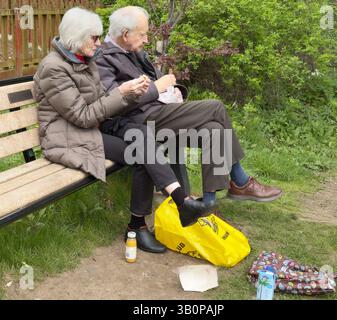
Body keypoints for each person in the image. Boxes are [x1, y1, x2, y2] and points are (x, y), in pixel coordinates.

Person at [33, 7, 215, 254]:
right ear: (77, 37)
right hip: (67, 137)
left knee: (141, 137)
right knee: (141, 150)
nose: (99, 43)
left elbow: (101, 99)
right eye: (94, 38)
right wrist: (122, 93)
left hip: (93, 129)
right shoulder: (53, 69)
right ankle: (159, 215)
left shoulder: (84, 60)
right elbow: (83, 116)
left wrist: (130, 92)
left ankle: (159, 214)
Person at [96, 6, 283, 208]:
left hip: (160, 112)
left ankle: (208, 206)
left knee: (215, 130)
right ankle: (240, 181)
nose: (147, 39)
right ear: (125, 34)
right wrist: (157, 90)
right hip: (139, 122)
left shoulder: (134, 51)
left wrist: (174, 91)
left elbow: (159, 82)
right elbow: (113, 103)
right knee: (216, 107)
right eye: (143, 34)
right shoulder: (103, 59)